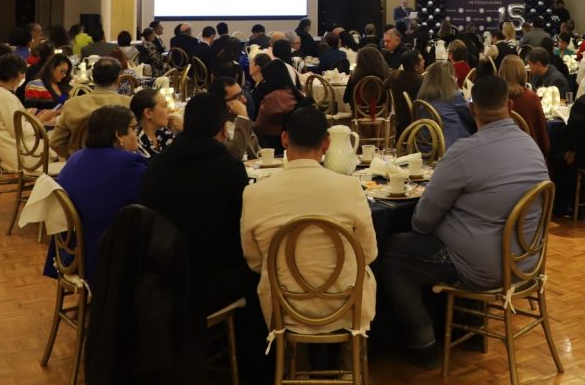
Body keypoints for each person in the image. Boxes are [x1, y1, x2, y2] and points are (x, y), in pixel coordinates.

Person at [383, 75, 548, 368]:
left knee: (391, 252)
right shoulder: (530, 145)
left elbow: (422, 222)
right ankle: (468, 328)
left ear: (472, 110)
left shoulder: (464, 151)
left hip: (483, 267)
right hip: (526, 261)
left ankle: (423, 345)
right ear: (510, 107)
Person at [140, 91, 260, 374]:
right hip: (208, 281)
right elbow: (239, 231)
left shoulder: (157, 167)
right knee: (262, 270)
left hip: (161, 277)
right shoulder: (228, 169)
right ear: (222, 130)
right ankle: (250, 364)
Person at [241, 106, 377, 345]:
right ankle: (348, 355)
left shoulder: (254, 193)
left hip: (284, 308)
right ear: (326, 143)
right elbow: (369, 253)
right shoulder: (350, 188)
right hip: (345, 306)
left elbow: (255, 262)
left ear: (285, 139)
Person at [52, 105, 147, 280]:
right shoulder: (127, 163)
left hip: (71, 251)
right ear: (118, 134)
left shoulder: (75, 158)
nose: (136, 134)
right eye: (133, 128)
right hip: (106, 256)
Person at [0, 54, 58, 172]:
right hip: (16, 153)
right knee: (58, 144)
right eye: (22, 72)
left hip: (8, 146)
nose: (23, 76)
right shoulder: (5, 97)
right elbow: (20, 132)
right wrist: (41, 119)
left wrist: (35, 118)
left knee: (54, 138)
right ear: (16, 74)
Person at [49, 57, 131, 157]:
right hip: (120, 162)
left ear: (92, 78)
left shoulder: (72, 104)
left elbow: (55, 143)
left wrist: (74, 156)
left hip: (81, 163)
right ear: (118, 80)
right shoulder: (129, 104)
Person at [497, 54, 550, 157]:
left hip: (500, 153)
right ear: (522, 72)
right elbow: (542, 135)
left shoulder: (494, 98)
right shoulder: (531, 98)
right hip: (530, 154)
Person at [416, 61, 475, 148]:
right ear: (450, 78)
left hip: (426, 146)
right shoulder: (453, 96)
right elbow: (471, 117)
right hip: (452, 146)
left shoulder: (422, 97)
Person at [252, 60, 305, 150]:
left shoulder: (273, 98)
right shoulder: (296, 94)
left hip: (271, 144)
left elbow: (259, 125)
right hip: (294, 140)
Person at [385, 49, 425, 134]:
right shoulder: (420, 80)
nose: (424, 61)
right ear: (416, 67)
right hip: (417, 122)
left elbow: (384, 86)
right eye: (422, 60)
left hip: (399, 121)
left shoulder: (394, 75)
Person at [130, 87, 177, 159]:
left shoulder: (165, 133)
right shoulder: (135, 145)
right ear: (148, 113)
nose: (169, 110)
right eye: (164, 106)